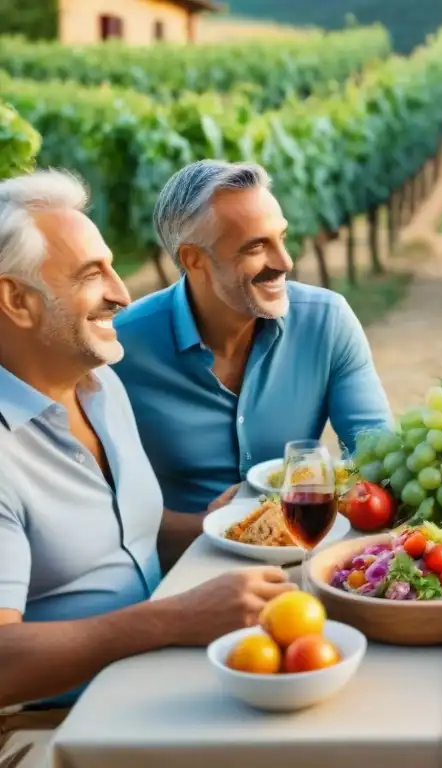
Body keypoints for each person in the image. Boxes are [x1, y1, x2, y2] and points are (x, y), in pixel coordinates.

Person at [0, 170, 295, 762]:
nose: (122, 294)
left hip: (159, 686)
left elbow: (117, 537)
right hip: (56, 727)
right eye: (91, 275)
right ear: (16, 301)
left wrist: (232, 527)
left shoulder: (100, 387)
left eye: (111, 267)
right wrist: (170, 619)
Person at [112, 160, 393, 513]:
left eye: (282, 238)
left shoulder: (327, 321)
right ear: (194, 259)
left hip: (304, 542)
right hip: (185, 561)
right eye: (256, 247)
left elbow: (377, 458)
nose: (285, 262)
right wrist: (201, 529)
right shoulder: (122, 347)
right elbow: (102, 501)